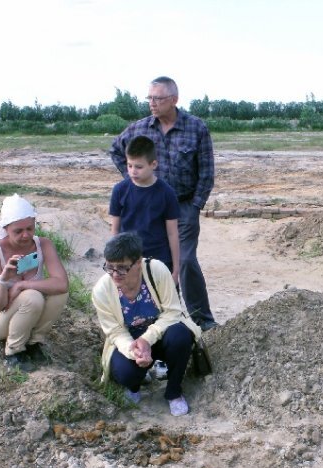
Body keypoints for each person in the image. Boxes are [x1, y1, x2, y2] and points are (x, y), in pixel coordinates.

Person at [110, 76, 218, 331]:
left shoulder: (196, 128)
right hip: (148, 207)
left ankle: (202, 319)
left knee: (186, 261)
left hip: (183, 207)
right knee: (150, 262)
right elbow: (116, 150)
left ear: (174, 100)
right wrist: (133, 181)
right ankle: (157, 317)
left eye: (157, 98)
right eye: (149, 98)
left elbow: (207, 172)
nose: (152, 103)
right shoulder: (139, 129)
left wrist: (195, 206)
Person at [92, 232, 201, 417]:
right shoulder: (101, 291)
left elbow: (173, 312)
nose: (115, 274)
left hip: (162, 331)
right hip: (130, 339)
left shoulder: (156, 270)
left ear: (138, 263)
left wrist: (147, 339)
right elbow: (115, 332)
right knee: (124, 372)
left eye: (122, 268)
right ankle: (135, 385)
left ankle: (174, 391)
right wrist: (135, 350)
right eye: (110, 267)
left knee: (181, 337)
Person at [0, 194, 69, 370]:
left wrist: (22, 284)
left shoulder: (43, 244)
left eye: (30, 229)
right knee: (32, 297)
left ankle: (34, 342)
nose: (26, 235)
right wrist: (4, 280)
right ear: (6, 229)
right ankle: (14, 350)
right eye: (18, 231)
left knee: (59, 294)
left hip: (23, 312)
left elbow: (62, 284)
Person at [110, 135, 181, 283]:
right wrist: (114, 263)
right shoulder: (119, 190)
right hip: (128, 261)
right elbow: (115, 231)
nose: (133, 171)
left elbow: (173, 233)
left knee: (163, 304)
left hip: (159, 261)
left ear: (153, 164)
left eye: (139, 167)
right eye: (129, 166)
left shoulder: (167, 193)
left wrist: (176, 269)